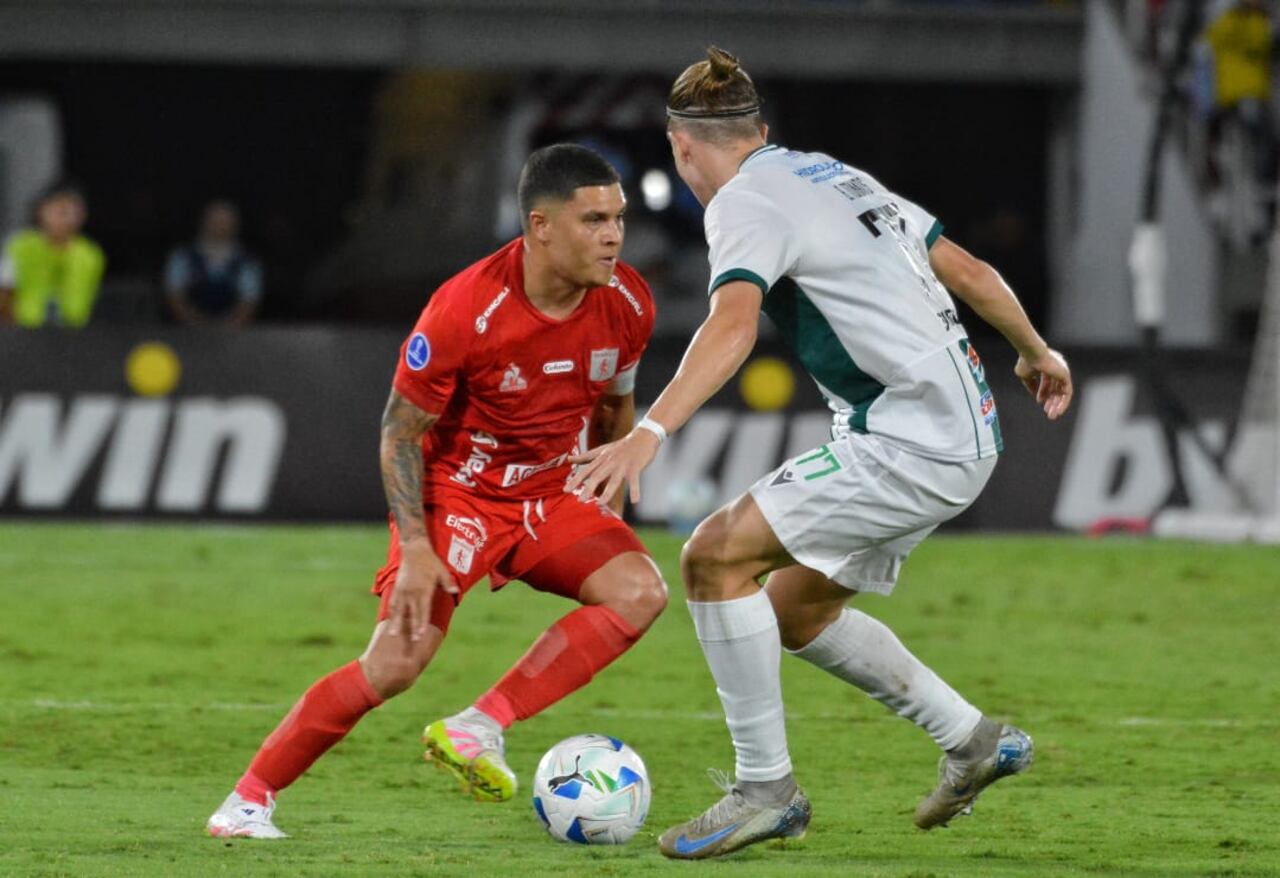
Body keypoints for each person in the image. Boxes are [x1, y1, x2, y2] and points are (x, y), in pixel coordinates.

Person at [569, 47, 1074, 860]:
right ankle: (974, 739)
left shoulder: (741, 202)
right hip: (965, 429)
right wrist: (1035, 349)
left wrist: (646, 433)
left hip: (910, 438)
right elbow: (970, 269)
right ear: (761, 130)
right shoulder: (835, 174)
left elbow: (731, 325)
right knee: (794, 609)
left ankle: (765, 789)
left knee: (712, 557)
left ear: (680, 146)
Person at [207, 143, 666, 838]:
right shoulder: (465, 308)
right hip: (459, 497)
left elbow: (613, 408)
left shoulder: (627, 299)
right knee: (395, 663)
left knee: (641, 590)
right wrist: (416, 546)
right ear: (541, 227)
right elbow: (398, 432)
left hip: (548, 491)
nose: (613, 236)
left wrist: (610, 496)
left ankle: (480, 725)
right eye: (594, 220)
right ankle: (247, 801)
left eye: (618, 219)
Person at [0, 181, 104, 328]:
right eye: (62, 211)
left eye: (75, 213)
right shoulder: (19, 246)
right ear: (42, 211)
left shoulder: (90, 255)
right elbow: (5, 292)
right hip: (24, 331)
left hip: (73, 334)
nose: (69, 219)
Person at [164, 200, 263, 326]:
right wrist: (195, 323)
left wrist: (228, 327)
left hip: (233, 336)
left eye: (225, 222)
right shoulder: (182, 257)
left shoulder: (247, 262)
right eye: (215, 221)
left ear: (235, 225)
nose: (220, 227)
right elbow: (174, 296)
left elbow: (249, 302)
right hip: (187, 332)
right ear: (204, 222)